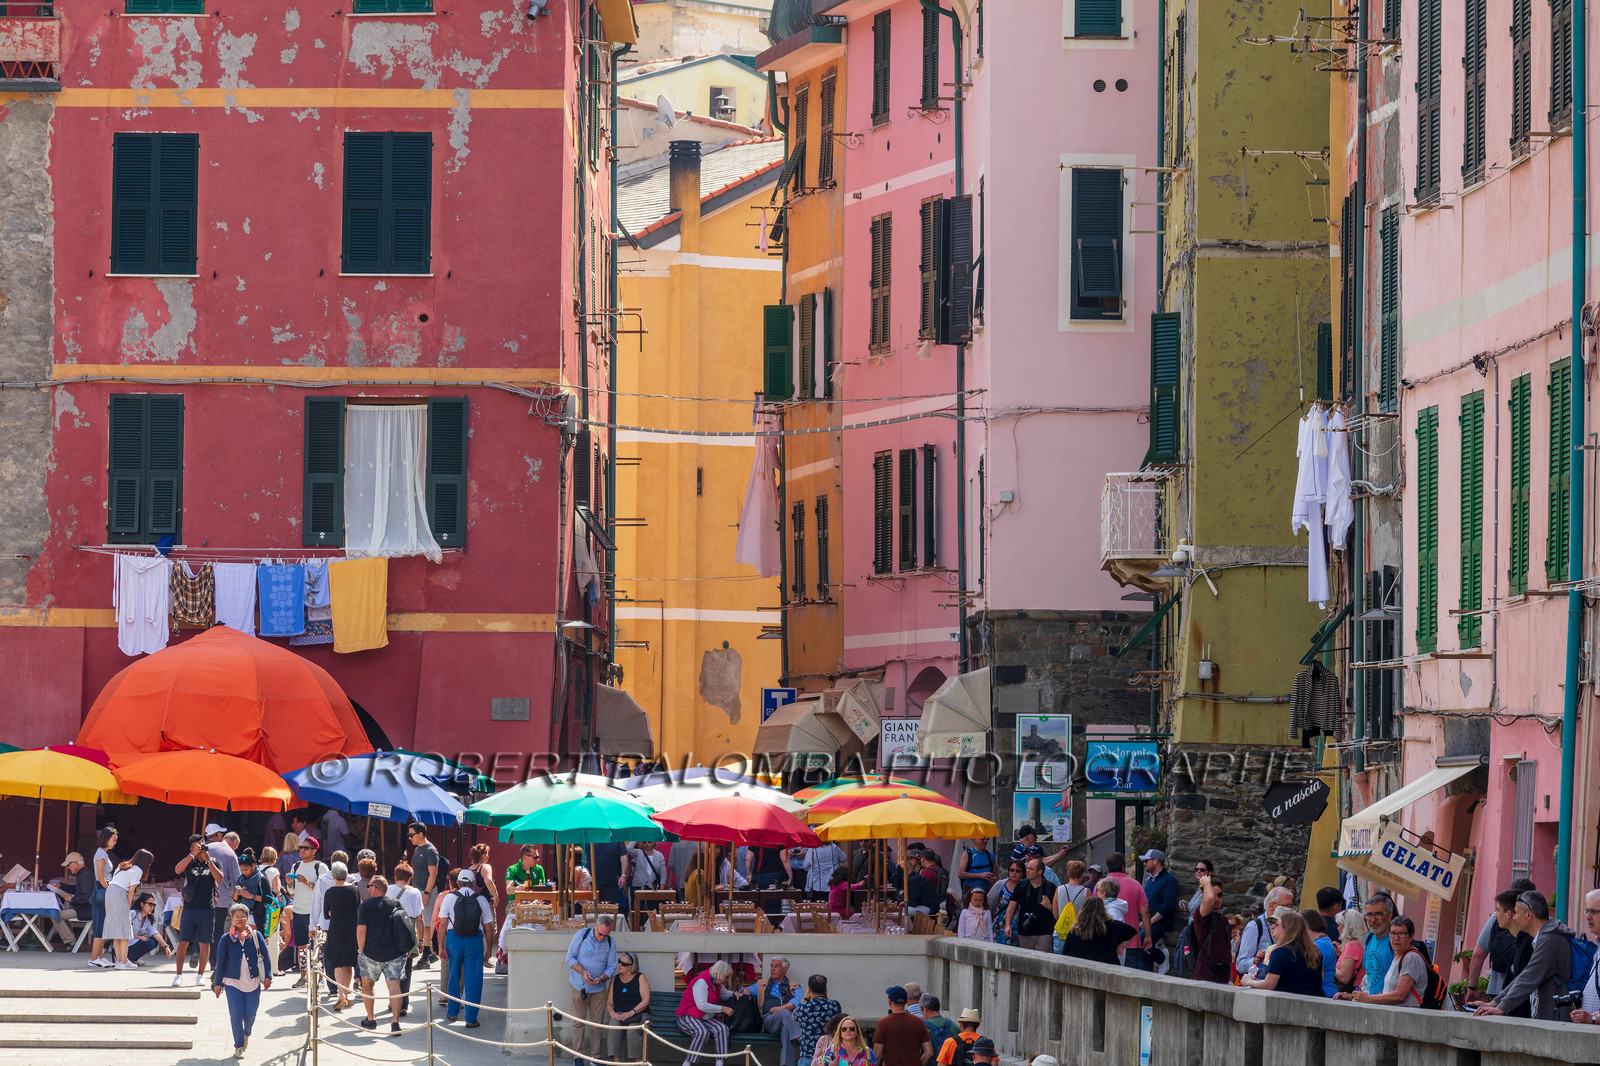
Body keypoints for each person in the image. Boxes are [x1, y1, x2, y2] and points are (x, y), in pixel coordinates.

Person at [1474, 890, 1575, 1021]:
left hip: (1555, 1018)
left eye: (1516, 913)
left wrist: (1502, 1007)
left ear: (1528, 914)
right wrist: (1495, 1003)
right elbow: (1523, 975)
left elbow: (1529, 977)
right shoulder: (1544, 937)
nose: (1514, 917)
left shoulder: (1549, 940)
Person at [213, 902, 273, 1059]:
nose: (240, 919)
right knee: (236, 1014)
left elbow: (266, 957)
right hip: (233, 983)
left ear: (247, 918)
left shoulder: (256, 936)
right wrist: (217, 984)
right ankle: (238, 1045)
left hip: (253, 982)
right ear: (232, 918)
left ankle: (247, 1034)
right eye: (236, 916)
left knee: (251, 1014)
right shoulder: (226, 939)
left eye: (243, 916)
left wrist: (268, 976)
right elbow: (220, 962)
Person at [1466, 878, 1537, 1004]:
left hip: (1498, 988)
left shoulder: (1497, 919)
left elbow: (1478, 954)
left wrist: (1472, 987)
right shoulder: (1536, 927)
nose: (1496, 914)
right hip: (1526, 995)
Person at [355, 875, 408, 1035]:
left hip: (371, 952)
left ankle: (371, 1019)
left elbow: (361, 929)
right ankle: (395, 1022)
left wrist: (361, 949)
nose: (368, 888)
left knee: (367, 985)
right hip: (394, 952)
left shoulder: (365, 906)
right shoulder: (395, 903)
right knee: (395, 987)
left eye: (369, 886)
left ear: (375, 888)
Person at [1337, 915, 1429, 1006]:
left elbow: (1399, 995)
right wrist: (1353, 997)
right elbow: (1387, 991)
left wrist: (1368, 999)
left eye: (1401, 934)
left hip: (1404, 1017)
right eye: (1393, 933)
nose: (1396, 938)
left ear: (1411, 936)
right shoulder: (1399, 956)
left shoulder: (1411, 958)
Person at [443, 869, 496, 1027]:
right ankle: (471, 1019)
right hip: (474, 940)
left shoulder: (449, 898)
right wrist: (489, 951)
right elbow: (488, 928)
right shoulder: (481, 900)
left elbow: (442, 924)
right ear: (474, 884)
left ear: (457, 883)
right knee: (474, 979)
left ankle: (452, 1012)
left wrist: (440, 946)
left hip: (454, 939)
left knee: (453, 974)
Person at [173, 834, 223, 986]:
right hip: (189, 908)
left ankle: (200, 975)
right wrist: (191, 855)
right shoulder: (190, 861)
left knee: (205, 943)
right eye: (197, 845)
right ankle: (178, 975)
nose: (201, 847)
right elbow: (177, 870)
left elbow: (219, 878)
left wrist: (208, 860)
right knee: (183, 942)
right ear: (191, 848)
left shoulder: (214, 861)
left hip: (207, 908)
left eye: (202, 844)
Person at [1239, 908, 1324, 996]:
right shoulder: (1313, 951)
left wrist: (1248, 981)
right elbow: (1321, 978)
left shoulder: (1280, 952)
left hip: (1289, 1003)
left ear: (1287, 928)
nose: (1273, 926)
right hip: (1314, 1000)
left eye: (1276, 923)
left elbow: (1269, 984)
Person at [676, 958, 739, 1066]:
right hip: (687, 1016)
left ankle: (720, 1062)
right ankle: (687, 1063)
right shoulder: (701, 982)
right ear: (720, 974)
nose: (726, 979)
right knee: (702, 1033)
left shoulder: (717, 982)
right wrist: (723, 1009)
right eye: (726, 976)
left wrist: (735, 994)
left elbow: (724, 994)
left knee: (722, 1029)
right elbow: (702, 1005)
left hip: (703, 1017)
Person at [386, 863, 425, 1018]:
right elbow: (420, 918)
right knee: (407, 968)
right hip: (408, 932)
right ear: (410, 878)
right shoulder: (415, 893)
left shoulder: (388, 889)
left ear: (395, 876)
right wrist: (421, 939)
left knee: (391, 968)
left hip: (390, 933)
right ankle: (404, 1004)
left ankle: (393, 999)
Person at [322, 861, 362, 1012]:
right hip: (351, 928)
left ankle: (341, 995)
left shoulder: (330, 892)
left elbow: (327, 914)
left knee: (338, 962)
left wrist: (335, 912)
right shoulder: (354, 890)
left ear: (333, 876)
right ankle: (346, 993)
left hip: (336, 929)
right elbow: (357, 907)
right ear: (346, 875)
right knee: (348, 962)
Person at [104, 848, 152, 970]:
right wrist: (128, 907)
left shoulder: (122, 866)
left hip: (110, 893)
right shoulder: (138, 870)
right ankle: (124, 961)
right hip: (121, 893)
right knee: (124, 929)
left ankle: (120, 961)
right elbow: (131, 892)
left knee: (116, 929)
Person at [288, 837, 326, 988]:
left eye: (305, 848)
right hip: (298, 910)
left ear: (314, 851)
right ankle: (303, 976)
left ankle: (321, 976)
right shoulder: (296, 866)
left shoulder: (320, 867)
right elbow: (291, 891)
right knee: (301, 946)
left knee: (318, 945)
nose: (302, 850)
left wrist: (307, 882)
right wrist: (290, 883)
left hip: (314, 911)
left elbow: (324, 889)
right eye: (301, 848)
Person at [1236, 886, 1295, 982]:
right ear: (1271, 906)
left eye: (1291, 906)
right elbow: (1240, 964)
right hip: (1261, 986)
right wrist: (1255, 960)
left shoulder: (1292, 926)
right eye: (1286, 906)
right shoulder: (1255, 926)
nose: (1290, 910)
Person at [752, 955, 803, 1066]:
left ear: (785, 970)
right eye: (771, 966)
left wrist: (779, 1008)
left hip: (788, 1023)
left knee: (786, 1030)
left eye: (776, 966)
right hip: (769, 1021)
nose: (772, 969)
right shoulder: (762, 984)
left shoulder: (794, 986)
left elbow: (800, 1001)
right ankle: (801, 1040)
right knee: (785, 1013)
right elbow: (745, 990)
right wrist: (743, 991)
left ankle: (786, 1064)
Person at [1104, 854, 1152, 969]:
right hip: (1131, 941)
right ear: (1123, 866)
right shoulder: (1135, 885)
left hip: (1107, 941)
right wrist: (1148, 936)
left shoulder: (1100, 886)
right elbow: (1145, 912)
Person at [1060, 896, 1139, 965]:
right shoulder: (1112, 926)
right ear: (1103, 909)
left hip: (1081, 971)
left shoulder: (1075, 931)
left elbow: (1066, 954)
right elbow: (1132, 931)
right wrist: (1121, 946)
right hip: (1108, 969)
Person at [1185, 874, 1232, 984]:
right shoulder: (1201, 915)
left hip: (1223, 980)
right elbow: (1209, 899)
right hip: (1205, 979)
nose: (1216, 898)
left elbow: (1227, 953)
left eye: (1219, 895)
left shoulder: (1224, 920)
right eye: (1213, 894)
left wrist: (1230, 982)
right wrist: (1206, 882)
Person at [205, 824, 242, 962]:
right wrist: (236, 897)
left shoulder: (203, 849)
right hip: (220, 899)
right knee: (218, 930)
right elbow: (237, 880)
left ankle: (197, 950)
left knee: (203, 929)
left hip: (202, 898)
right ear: (234, 842)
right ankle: (214, 962)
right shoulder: (230, 853)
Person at [1003, 857, 1056, 951]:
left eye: (1030, 869)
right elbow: (1011, 907)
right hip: (1025, 932)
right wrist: (1007, 925)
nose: (1027, 871)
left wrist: (1050, 907)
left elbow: (1058, 913)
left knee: (1041, 960)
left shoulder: (1050, 888)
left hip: (1044, 932)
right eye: (1027, 868)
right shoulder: (1021, 886)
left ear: (1040, 871)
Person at [407, 823, 442, 967]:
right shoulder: (417, 850)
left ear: (420, 834)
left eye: (411, 835)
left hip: (427, 890)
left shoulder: (430, 850)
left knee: (428, 923)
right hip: (418, 889)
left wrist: (426, 893)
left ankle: (426, 956)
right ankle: (428, 953)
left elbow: (433, 874)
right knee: (421, 920)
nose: (409, 838)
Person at [607, 951, 651, 1062]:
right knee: (613, 1026)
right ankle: (616, 1062)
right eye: (619, 962)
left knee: (632, 1031)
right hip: (621, 1014)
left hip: (639, 1015)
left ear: (632, 966)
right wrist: (612, 1013)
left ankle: (639, 1062)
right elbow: (609, 1002)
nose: (620, 965)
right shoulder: (615, 979)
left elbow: (646, 1001)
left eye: (624, 964)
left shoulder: (640, 977)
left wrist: (631, 1012)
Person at [1139, 850, 1178, 971]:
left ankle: (1161, 957)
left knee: (1141, 940)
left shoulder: (1169, 879)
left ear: (1155, 861)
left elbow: (1167, 906)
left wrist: (1148, 922)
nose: (1144, 864)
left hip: (1160, 924)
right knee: (1136, 944)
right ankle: (1146, 977)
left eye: (1146, 861)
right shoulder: (1149, 881)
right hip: (1146, 922)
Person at [872, 986, 930, 1066]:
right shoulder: (919, 1022)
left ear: (889, 1002)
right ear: (906, 1001)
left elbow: (877, 1055)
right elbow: (929, 1052)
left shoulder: (883, 1023)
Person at [1567, 889, 1600, 1025]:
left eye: (1594, 911)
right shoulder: (1597, 948)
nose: (1587, 917)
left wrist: (1592, 1018)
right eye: (1587, 911)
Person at [47, 852, 92, 949]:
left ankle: (71, 942)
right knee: (60, 915)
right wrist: (61, 886)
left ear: (76, 863)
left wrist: (72, 899)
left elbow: (86, 897)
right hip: (83, 908)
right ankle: (72, 941)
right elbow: (77, 889)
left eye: (69, 865)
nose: (68, 868)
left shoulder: (85, 876)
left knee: (56, 916)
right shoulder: (84, 873)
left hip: (85, 910)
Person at [794, 974, 841, 1066]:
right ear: (826, 989)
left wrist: (806, 997)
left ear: (809, 990)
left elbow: (793, 1016)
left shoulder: (803, 1007)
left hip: (807, 1055)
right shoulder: (834, 1005)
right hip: (829, 1056)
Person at [88, 825, 118, 968]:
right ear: (106, 839)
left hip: (104, 888)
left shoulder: (103, 853)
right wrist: (109, 889)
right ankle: (94, 958)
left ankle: (99, 956)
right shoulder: (100, 853)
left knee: (103, 925)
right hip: (102, 889)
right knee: (100, 924)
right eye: (113, 839)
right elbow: (100, 876)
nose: (115, 842)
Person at [1355, 892, 1396, 995]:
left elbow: (1397, 985)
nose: (1373, 920)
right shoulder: (1369, 937)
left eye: (1378, 914)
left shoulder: (1395, 942)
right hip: (1369, 1004)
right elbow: (1368, 975)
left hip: (1384, 1006)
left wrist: (1372, 1000)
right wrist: (1354, 995)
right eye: (1369, 915)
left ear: (1389, 916)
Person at [467, 843, 498, 960]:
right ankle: (488, 954)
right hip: (485, 902)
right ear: (483, 855)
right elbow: (488, 881)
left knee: (476, 929)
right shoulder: (485, 867)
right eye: (487, 854)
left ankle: (477, 953)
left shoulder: (469, 869)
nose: (488, 856)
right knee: (490, 928)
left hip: (471, 903)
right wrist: (496, 896)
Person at [1053, 861, 1090, 952]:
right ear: (1082, 875)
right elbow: (1089, 916)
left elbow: (1055, 915)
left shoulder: (1059, 890)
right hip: (1078, 934)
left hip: (1060, 933)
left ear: (1068, 874)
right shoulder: (1086, 892)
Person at [1301, 907, 1338, 997]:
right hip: (1327, 991)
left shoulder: (1319, 945)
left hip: (1323, 993)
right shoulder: (1324, 941)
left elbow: (1313, 974)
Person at [127, 893, 172, 965]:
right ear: (142, 904)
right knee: (149, 943)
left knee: (155, 941)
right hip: (124, 944)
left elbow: (155, 933)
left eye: (153, 905)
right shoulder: (133, 913)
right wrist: (138, 937)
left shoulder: (147, 919)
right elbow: (122, 929)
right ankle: (125, 959)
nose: (152, 908)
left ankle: (132, 959)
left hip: (134, 943)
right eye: (150, 905)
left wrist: (166, 946)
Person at [987, 861, 1024, 945]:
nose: (1014, 873)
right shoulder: (1000, 885)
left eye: (1018, 871)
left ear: (1022, 873)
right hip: (998, 926)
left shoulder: (1025, 887)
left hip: (1017, 928)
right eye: (1012, 870)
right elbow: (989, 905)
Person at [1332, 908, 1367, 994]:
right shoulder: (1363, 942)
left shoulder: (1352, 945)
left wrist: (1329, 966)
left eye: (1339, 925)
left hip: (1351, 991)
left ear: (1346, 927)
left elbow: (1344, 977)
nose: (1337, 928)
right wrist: (1342, 955)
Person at [233, 850, 269, 932]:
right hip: (242, 916)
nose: (244, 872)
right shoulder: (240, 878)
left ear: (253, 865)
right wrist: (236, 893)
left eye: (246, 869)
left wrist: (252, 896)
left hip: (257, 917)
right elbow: (235, 899)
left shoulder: (262, 879)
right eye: (242, 870)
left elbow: (268, 899)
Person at [906, 853, 939, 917]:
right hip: (931, 905)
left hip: (929, 907)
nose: (909, 860)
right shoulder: (936, 869)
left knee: (903, 912)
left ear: (922, 859)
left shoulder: (926, 873)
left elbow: (914, 900)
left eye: (911, 859)